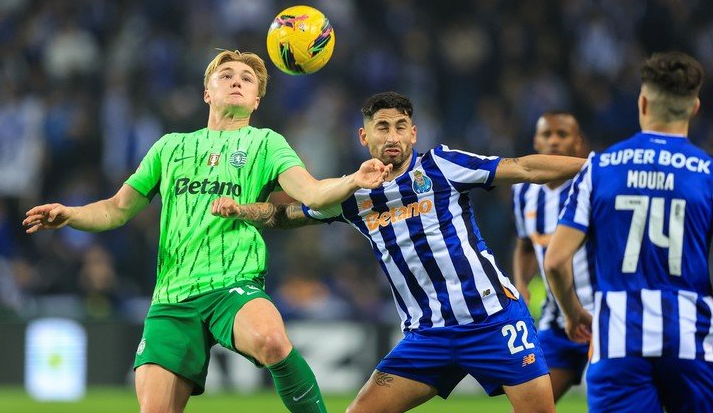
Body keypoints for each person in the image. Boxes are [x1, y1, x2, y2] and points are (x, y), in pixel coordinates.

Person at [22, 49, 392, 413]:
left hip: (233, 284)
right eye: (226, 75)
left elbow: (312, 193)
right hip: (172, 297)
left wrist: (353, 179)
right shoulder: (170, 147)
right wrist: (70, 214)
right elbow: (116, 209)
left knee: (272, 340)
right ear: (207, 93)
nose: (237, 80)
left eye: (247, 79)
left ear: (256, 100)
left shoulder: (265, 143)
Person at [211, 91, 586, 413]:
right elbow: (286, 215)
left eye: (401, 126)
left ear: (413, 133)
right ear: (364, 136)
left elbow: (523, 167)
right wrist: (242, 210)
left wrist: (594, 166)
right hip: (426, 337)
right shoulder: (353, 194)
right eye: (383, 127)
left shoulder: (442, 165)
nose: (393, 136)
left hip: (493, 320)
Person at [545, 51, 713, 413]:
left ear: (642, 102)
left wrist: (573, 314)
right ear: (695, 107)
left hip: (618, 338)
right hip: (693, 340)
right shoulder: (708, 173)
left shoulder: (599, 168)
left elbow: (556, 261)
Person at [511, 111, 593, 403]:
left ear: (578, 142)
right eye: (547, 134)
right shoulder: (522, 192)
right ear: (536, 140)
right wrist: (521, 282)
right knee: (531, 406)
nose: (554, 141)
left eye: (562, 134)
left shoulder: (594, 187)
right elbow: (524, 243)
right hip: (558, 322)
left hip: (604, 318)